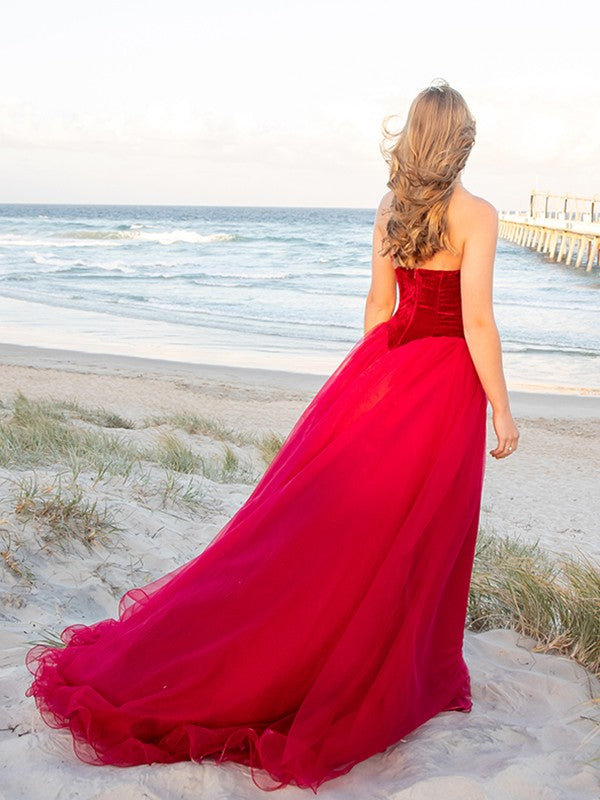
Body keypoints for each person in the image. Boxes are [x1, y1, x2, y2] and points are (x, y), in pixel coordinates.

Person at [24, 78, 519, 794]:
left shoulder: (390, 209)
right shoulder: (478, 213)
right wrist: (502, 409)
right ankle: (416, 674)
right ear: (462, 140)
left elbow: (380, 309)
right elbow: (477, 323)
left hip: (387, 377)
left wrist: (366, 399)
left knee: (355, 534)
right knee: (425, 534)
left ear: (412, 139)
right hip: (443, 389)